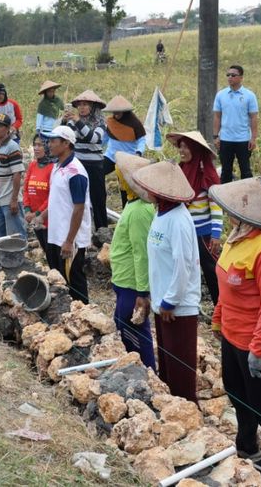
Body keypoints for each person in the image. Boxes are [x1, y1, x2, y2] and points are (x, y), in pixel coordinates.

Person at [208, 177, 261, 475]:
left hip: (257, 340)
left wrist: (260, 348)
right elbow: (226, 283)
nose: (229, 215)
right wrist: (218, 317)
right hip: (232, 334)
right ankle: (247, 446)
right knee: (237, 392)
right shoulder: (237, 237)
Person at [132, 160, 200, 402]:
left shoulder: (179, 220)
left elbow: (183, 265)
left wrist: (171, 301)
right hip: (163, 302)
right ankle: (172, 410)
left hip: (178, 307)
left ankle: (188, 415)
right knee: (168, 366)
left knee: (181, 370)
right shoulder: (161, 214)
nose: (146, 192)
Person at [109, 152, 156, 370]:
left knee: (133, 329)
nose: (118, 180)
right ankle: (136, 369)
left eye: (121, 177)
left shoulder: (139, 211)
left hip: (132, 284)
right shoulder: (132, 203)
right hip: (123, 280)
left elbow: (141, 253)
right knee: (124, 326)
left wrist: (142, 293)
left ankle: (147, 372)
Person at [169, 131, 222, 306]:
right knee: (186, 270)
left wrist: (216, 233)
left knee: (210, 271)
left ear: (195, 149)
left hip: (202, 234)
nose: (181, 151)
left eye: (186, 147)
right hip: (183, 232)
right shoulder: (180, 171)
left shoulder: (206, 174)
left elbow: (216, 206)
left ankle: (221, 309)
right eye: (180, 146)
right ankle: (189, 305)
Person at [41, 125, 91, 304]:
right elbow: (58, 201)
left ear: (66, 143)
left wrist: (70, 240)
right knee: (60, 279)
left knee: (74, 280)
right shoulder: (57, 166)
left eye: (53, 141)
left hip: (70, 239)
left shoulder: (76, 173)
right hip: (56, 235)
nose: (49, 144)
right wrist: (42, 216)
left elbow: (79, 208)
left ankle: (84, 314)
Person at [64, 90, 108, 230]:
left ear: (93, 107)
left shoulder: (101, 123)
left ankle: (101, 230)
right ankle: (79, 228)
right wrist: (63, 122)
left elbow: (94, 138)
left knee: (98, 198)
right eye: (80, 105)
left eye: (85, 104)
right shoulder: (72, 122)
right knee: (77, 197)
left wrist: (77, 122)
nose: (82, 108)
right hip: (77, 164)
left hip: (95, 165)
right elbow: (67, 138)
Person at [213, 65, 258, 183]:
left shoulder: (249, 96)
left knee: (246, 171)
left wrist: (253, 138)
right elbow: (217, 116)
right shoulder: (221, 95)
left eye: (233, 75)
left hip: (243, 140)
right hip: (225, 139)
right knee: (226, 171)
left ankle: (247, 196)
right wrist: (216, 136)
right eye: (228, 75)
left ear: (241, 77)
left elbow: (253, 117)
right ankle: (224, 198)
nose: (230, 78)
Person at [102, 95, 147, 207]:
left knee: (124, 186)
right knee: (97, 173)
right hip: (111, 156)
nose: (116, 114)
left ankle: (126, 210)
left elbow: (142, 140)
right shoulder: (111, 122)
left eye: (119, 112)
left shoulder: (135, 123)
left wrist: (139, 152)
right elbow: (105, 138)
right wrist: (96, 145)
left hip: (127, 159)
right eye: (114, 112)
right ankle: (99, 201)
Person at [0, 113, 26, 239]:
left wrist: (14, 199)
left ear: (7, 129)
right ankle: (5, 259)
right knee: (0, 237)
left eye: (0, 126)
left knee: (16, 236)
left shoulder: (13, 147)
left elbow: (17, 174)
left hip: (9, 201)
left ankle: (19, 259)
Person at [22, 134, 54, 254]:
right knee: (45, 249)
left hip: (47, 218)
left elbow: (52, 195)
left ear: (47, 147)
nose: (36, 148)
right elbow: (26, 189)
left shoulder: (52, 167)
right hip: (33, 218)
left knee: (51, 251)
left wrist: (37, 213)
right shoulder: (32, 165)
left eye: (40, 145)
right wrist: (27, 210)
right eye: (34, 144)